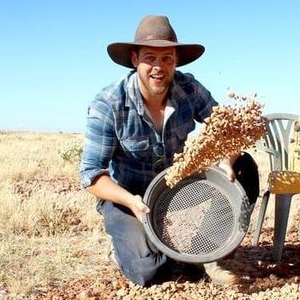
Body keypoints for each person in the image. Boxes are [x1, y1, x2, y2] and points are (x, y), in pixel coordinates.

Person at [80, 15, 237, 286]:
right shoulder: (108, 104)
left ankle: (208, 252)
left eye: (167, 59)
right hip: (128, 197)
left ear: (176, 61)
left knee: (244, 167)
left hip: (175, 188)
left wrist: (227, 161)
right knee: (149, 271)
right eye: (150, 57)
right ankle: (126, 251)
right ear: (134, 60)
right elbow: (92, 176)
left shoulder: (189, 88)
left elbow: (228, 130)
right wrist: (131, 202)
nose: (158, 67)